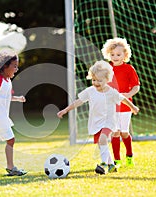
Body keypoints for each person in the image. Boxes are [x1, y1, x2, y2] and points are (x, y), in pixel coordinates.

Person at [57, 60, 139, 174]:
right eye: (94, 80)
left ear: (107, 80)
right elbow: (78, 102)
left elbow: (123, 99)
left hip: (109, 121)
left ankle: (103, 164)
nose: (96, 83)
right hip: (96, 122)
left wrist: (133, 107)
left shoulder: (111, 92)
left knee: (103, 139)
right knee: (102, 145)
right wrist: (65, 110)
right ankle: (111, 165)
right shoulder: (90, 91)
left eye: (99, 81)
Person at [101, 38, 140, 168]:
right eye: (112, 55)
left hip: (125, 106)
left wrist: (128, 95)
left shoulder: (129, 69)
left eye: (118, 54)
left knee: (124, 132)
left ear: (125, 55)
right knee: (115, 132)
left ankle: (129, 155)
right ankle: (116, 160)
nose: (115, 57)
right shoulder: (107, 69)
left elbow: (136, 86)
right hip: (111, 107)